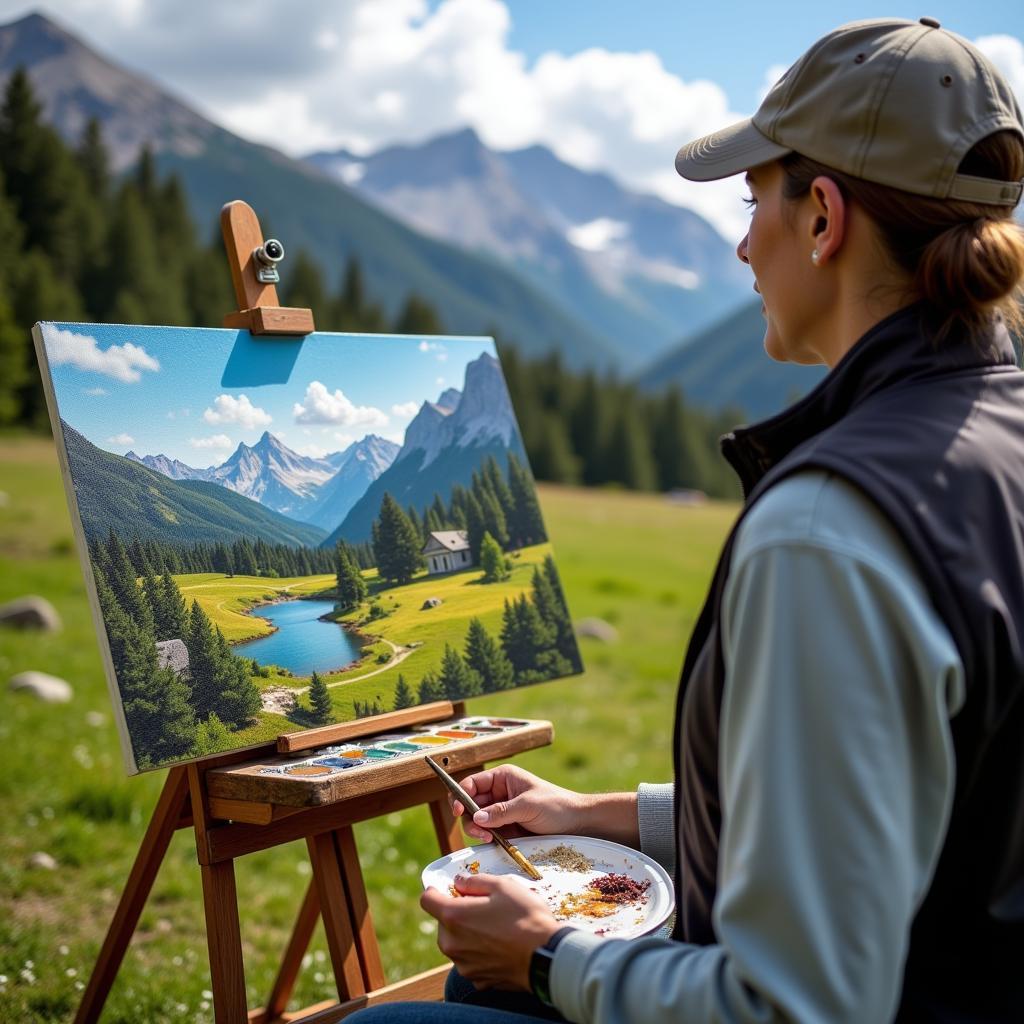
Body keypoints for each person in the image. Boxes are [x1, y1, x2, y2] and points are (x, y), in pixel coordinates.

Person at [348, 17, 1024, 1023]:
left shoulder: (831, 528)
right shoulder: (996, 435)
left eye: (755, 200)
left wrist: (547, 957)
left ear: (823, 218)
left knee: (387, 1022)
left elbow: (796, 1003)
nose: (745, 243)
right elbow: (912, 809)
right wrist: (601, 815)